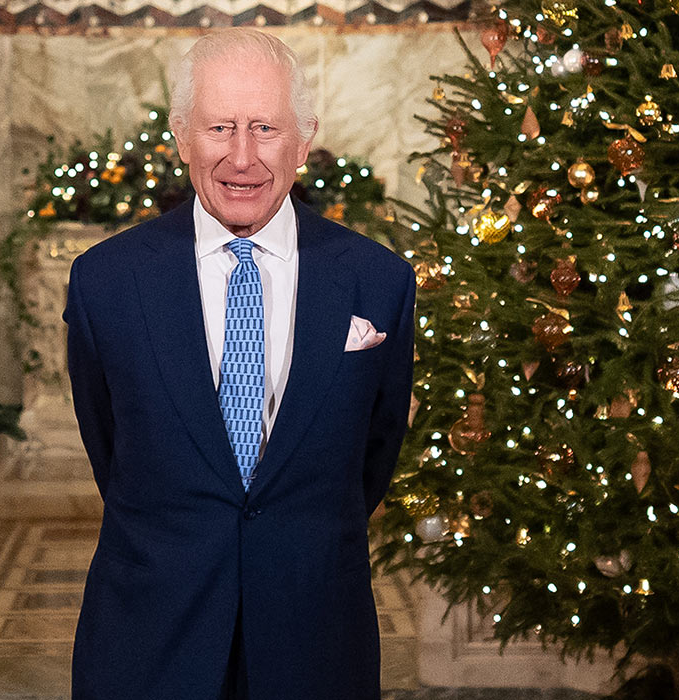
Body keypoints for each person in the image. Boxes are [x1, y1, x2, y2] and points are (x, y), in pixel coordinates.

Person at [61, 27, 416, 700]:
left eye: (266, 129)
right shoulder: (105, 282)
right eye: (220, 127)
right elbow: (110, 444)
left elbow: (375, 453)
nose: (242, 157)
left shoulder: (379, 281)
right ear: (181, 137)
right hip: (150, 640)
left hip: (316, 639)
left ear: (303, 141)